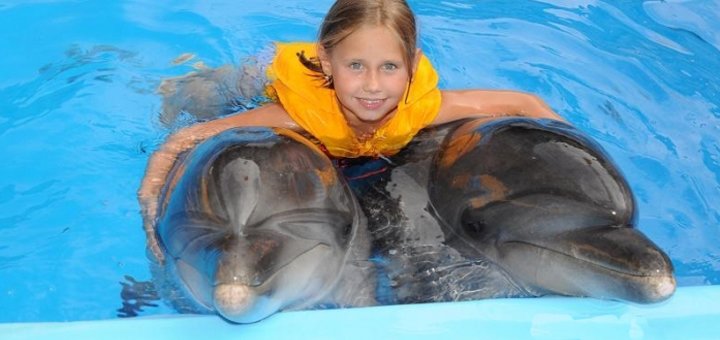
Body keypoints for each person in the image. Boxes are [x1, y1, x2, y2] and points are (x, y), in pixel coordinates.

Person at [138, 0, 563, 260]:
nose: (374, 86)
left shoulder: (421, 108)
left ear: (413, 67)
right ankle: (188, 74)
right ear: (329, 63)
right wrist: (150, 202)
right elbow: (183, 139)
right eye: (355, 66)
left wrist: (570, 152)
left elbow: (527, 104)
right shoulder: (295, 115)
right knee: (199, 98)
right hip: (269, 79)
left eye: (390, 68)